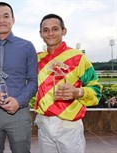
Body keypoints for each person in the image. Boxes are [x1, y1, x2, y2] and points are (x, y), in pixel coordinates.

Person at [34, 13, 103, 153]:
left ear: (63, 31)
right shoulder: (36, 59)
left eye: (55, 29)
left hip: (69, 126)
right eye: (45, 30)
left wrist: (78, 92)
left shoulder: (78, 57)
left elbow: (96, 90)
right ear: (40, 34)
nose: (50, 33)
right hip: (44, 125)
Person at [0, 2, 37, 153]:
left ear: (13, 19)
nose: (1, 20)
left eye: (6, 16)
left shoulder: (27, 47)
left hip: (19, 112)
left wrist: (19, 101)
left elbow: (33, 82)